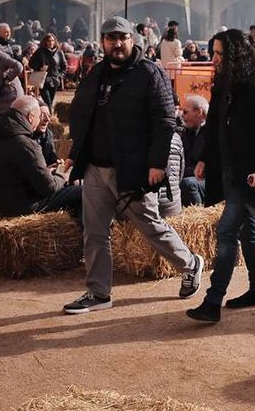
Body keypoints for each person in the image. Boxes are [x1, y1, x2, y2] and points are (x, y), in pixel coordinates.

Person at [63, 17, 203, 315]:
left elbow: (166, 122)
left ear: (132, 39)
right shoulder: (96, 74)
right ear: (102, 42)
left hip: (134, 168)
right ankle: (98, 292)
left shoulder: (150, 73)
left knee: (150, 226)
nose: (116, 43)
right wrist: (77, 152)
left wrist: (156, 164)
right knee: (95, 232)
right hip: (96, 168)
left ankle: (190, 263)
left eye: (122, 38)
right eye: (110, 38)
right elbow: (81, 114)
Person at [186, 29, 255, 323]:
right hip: (229, 168)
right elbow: (214, 123)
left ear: (235, 56)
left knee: (227, 231)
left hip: (249, 172)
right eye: (213, 53)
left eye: (219, 54)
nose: (213, 59)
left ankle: (212, 302)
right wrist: (204, 157)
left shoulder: (254, 86)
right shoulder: (223, 82)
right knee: (246, 231)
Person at [0, 96, 81, 220]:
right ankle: (85, 235)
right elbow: (49, 188)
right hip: (21, 206)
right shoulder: (25, 144)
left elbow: (12, 174)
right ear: (31, 117)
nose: (40, 121)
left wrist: (46, 172)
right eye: (39, 117)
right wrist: (61, 175)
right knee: (81, 192)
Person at [179, 94, 210, 206]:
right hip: (192, 178)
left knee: (188, 183)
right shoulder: (185, 132)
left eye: (186, 112)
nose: (182, 116)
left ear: (198, 112)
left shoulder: (213, 133)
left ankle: (199, 215)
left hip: (211, 182)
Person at [29, 32, 67, 109]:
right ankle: (49, 117)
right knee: (48, 101)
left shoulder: (59, 52)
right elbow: (31, 63)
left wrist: (60, 75)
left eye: (52, 40)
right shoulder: (40, 51)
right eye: (49, 41)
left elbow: (64, 66)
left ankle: (47, 115)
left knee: (51, 101)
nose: (51, 43)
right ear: (45, 42)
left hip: (54, 80)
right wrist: (39, 68)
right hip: (43, 80)